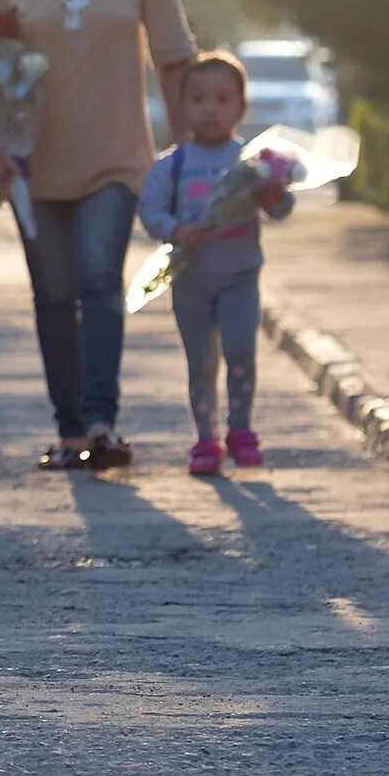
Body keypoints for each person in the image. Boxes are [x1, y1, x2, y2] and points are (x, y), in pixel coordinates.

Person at [0, 0, 197, 472]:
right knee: (52, 293)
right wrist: (0, 148)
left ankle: (102, 423)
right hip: (34, 163)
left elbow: (173, 57)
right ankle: (70, 428)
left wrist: (185, 153)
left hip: (115, 155)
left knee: (98, 277)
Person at [138, 52, 295, 475]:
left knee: (241, 350)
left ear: (241, 108)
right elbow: (150, 212)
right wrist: (175, 230)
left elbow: (282, 209)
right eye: (199, 99)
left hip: (240, 278)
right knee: (201, 361)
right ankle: (206, 440)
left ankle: (241, 430)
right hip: (191, 281)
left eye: (222, 99)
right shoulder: (172, 165)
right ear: (182, 107)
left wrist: (275, 195)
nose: (210, 108)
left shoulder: (256, 164)